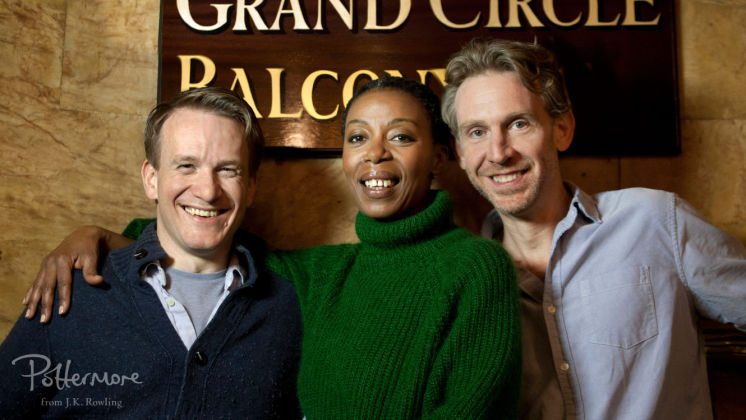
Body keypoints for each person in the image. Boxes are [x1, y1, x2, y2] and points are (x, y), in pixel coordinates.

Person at [20, 76, 522, 418]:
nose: (375, 154)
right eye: (357, 137)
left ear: (438, 155)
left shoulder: (476, 266)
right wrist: (100, 235)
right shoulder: (326, 273)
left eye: (401, 137)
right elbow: (213, 242)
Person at [439, 38, 746, 419]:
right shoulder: (464, 280)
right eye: (477, 132)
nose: (499, 152)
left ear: (562, 129)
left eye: (518, 124)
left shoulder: (656, 222)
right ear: (461, 153)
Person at [1, 87, 302, 418]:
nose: (207, 191)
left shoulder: (288, 309)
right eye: (186, 165)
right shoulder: (73, 292)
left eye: (228, 169)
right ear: (151, 179)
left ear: (251, 188)